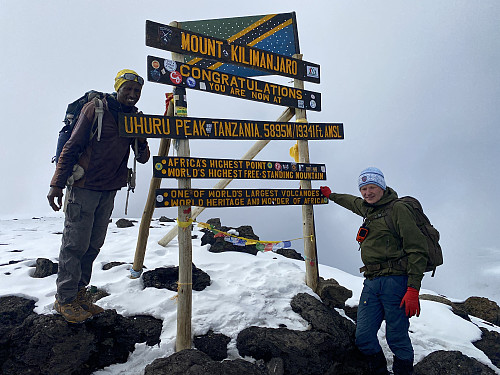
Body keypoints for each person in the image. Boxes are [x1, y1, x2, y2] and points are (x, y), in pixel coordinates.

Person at [47, 69, 150, 323]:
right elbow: (71, 147)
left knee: (93, 245)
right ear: (118, 88)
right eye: (128, 89)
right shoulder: (96, 109)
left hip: (109, 189)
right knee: (75, 244)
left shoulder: (135, 118)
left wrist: (142, 134)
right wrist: (56, 185)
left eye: (137, 91)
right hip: (83, 187)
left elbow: (143, 157)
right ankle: (65, 299)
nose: (133, 94)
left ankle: (80, 294)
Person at [320, 167, 428, 375]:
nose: (367, 193)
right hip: (371, 282)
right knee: (364, 337)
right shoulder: (369, 208)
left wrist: (413, 288)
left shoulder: (397, 209)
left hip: (396, 282)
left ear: (382, 186)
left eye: (372, 187)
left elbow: (417, 250)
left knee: (397, 339)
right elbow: (351, 202)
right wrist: (331, 196)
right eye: (363, 189)